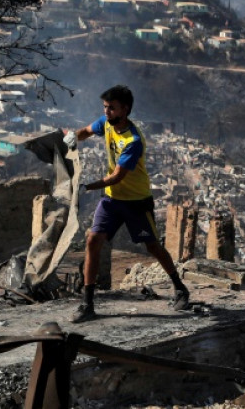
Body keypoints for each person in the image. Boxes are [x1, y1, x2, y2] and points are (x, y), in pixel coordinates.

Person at [65, 84, 189, 323]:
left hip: (135, 202)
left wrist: (86, 187)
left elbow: (117, 176)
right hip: (111, 200)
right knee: (93, 240)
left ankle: (180, 287)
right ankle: (87, 304)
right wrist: (73, 137)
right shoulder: (106, 123)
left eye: (112, 108)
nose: (107, 112)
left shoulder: (133, 141)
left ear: (126, 109)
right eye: (105, 107)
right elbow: (87, 131)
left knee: (152, 247)